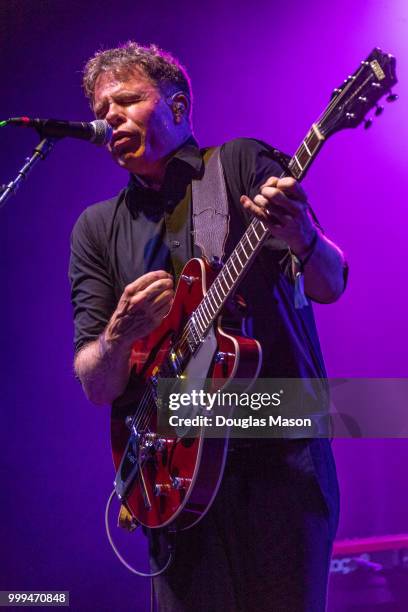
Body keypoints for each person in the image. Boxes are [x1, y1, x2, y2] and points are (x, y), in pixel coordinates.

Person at [69, 42, 348, 611]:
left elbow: (332, 282)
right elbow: (97, 385)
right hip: (173, 482)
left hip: (278, 465)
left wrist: (302, 237)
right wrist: (119, 334)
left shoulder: (241, 164)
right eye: (101, 111)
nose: (110, 117)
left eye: (126, 100)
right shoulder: (96, 229)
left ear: (176, 106)